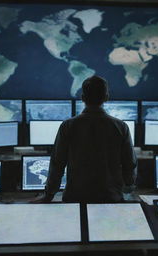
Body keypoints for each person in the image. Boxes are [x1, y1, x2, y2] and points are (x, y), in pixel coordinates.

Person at [33, 75, 137, 203]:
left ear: (83, 98)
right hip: (110, 198)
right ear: (106, 97)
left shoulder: (68, 126)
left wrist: (49, 195)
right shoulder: (121, 127)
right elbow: (129, 164)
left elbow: (57, 164)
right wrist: (128, 189)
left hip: (75, 197)